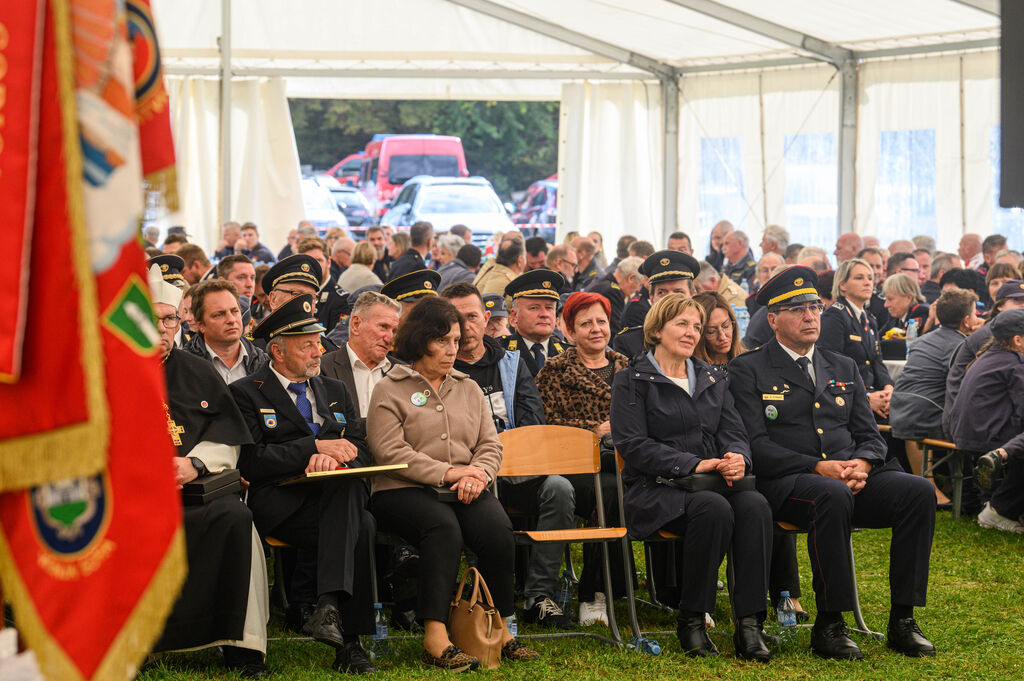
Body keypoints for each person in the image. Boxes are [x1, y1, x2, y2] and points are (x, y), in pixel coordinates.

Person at [728, 266, 936, 660]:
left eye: (814, 307)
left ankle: (903, 619)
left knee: (918, 492)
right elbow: (755, 444)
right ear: (772, 320)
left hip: (848, 475)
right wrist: (816, 466)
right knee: (831, 495)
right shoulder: (749, 368)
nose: (809, 316)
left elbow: (870, 435)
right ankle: (830, 623)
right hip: (790, 482)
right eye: (797, 310)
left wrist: (863, 464)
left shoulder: (841, 365)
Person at [366, 296, 540, 670]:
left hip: (464, 486)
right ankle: (435, 637)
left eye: (456, 340)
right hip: (400, 490)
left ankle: (500, 630)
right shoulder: (389, 387)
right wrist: (449, 473)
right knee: (443, 529)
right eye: (442, 340)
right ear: (420, 340)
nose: (452, 350)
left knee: (496, 529)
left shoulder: (467, 387)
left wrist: (479, 474)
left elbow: (490, 444)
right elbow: (388, 450)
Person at [611, 294, 773, 661]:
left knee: (755, 505)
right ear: (657, 329)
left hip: (711, 482)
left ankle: (750, 623)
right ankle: (693, 619)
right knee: (713, 509)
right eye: (682, 324)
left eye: (696, 326)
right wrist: (692, 464)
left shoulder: (712, 376)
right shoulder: (631, 379)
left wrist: (738, 457)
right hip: (654, 488)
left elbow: (734, 430)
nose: (692, 332)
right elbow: (633, 444)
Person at [230, 295, 377, 675]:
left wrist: (336, 458)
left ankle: (329, 610)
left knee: (358, 513)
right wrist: (312, 449)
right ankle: (350, 641)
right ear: (277, 352)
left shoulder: (334, 389)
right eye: (306, 345)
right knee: (360, 524)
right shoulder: (247, 392)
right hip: (282, 501)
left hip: (333, 497)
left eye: (318, 342)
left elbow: (359, 448)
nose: (318, 352)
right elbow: (252, 460)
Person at [148, 264, 268, 678]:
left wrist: (194, 463)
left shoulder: (198, 370)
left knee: (236, 518)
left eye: (169, 320)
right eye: (152, 319)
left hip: (197, 491)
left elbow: (228, 433)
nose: (163, 329)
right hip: (132, 495)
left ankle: (240, 645)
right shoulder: (104, 370)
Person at [442, 283, 573, 628]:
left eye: (472, 317)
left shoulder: (511, 362)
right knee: (474, 496)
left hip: (518, 469)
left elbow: (533, 421)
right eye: (456, 318)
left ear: (486, 319)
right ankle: (483, 595)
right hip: (468, 476)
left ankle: (539, 595)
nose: (465, 326)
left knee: (560, 488)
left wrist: (500, 451)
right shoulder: (438, 368)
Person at [535, 292, 632, 626]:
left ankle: (624, 588)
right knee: (610, 490)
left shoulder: (627, 367)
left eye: (601, 321)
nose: (596, 329)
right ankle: (594, 593)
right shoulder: (554, 371)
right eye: (586, 323)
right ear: (569, 330)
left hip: (626, 460)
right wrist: (594, 429)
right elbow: (546, 425)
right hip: (572, 465)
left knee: (621, 485)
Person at [890, 288, 980, 505]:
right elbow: (967, 389)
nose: (977, 317)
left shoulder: (924, 339)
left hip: (900, 409)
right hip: (923, 416)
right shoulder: (960, 346)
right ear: (966, 321)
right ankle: (966, 491)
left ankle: (945, 484)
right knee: (979, 422)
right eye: (975, 314)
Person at [948, 308, 1024, 533]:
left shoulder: (988, 356)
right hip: (987, 437)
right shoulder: (1015, 363)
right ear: (1017, 340)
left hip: (968, 433)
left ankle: (996, 502)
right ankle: (1000, 511)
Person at [819, 259, 893, 423]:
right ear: (842, 285)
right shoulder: (834, 317)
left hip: (873, 395)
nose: (867, 283)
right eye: (859, 278)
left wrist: (888, 389)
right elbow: (831, 367)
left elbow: (877, 361)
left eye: (870, 278)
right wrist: (866, 397)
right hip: (848, 399)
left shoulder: (869, 320)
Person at [319, 291, 400, 420]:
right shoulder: (323, 369)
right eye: (383, 326)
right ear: (356, 324)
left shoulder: (403, 372)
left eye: (394, 331)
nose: (390, 338)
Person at [614, 250, 700, 359]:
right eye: (662, 292)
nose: (669, 299)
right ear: (652, 298)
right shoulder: (629, 343)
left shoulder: (705, 338)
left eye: (678, 292)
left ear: (692, 296)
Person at [185, 279, 269, 382]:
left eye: (235, 311)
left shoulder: (265, 364)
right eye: (219, 315)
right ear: (200, 325)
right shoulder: (183, 367)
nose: (231, 320)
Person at [500, 270, 570, 377]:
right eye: (534, 308)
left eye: (549, 308)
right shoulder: (500, 352)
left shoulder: (569, 354)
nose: (544, 314)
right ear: (514, 317)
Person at [297, 238, 349, 333]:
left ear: (328, 262)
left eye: (318, 260)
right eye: (308, 262)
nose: (313, 266)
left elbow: (337, 338)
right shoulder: (295, 295)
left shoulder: (342, 299)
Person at [585, 256, 644, 337]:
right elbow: (615, 332)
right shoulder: (613, 293)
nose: (638, 290)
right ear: (631, 278)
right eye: (640, 285)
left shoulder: (602, 283)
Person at [692, 292, 745, 366]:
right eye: (711, 331)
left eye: (726, 326)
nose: (722, 337)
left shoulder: (748, 361)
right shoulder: (691, 369)